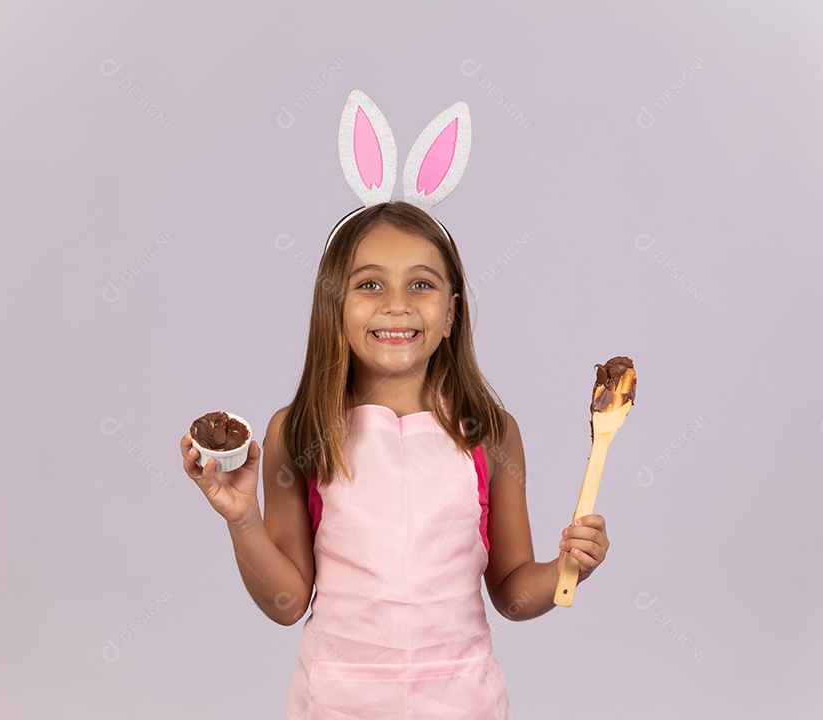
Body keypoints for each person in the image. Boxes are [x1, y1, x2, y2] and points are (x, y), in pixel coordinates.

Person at [180, 90, 609, 719]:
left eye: (422, 285)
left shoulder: (491, 433)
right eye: (370, 284)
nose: (397, 305)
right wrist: (240, 518)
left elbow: (512, 595)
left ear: (450, 314)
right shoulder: (297, 432)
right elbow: (286, 603)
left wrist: (567, 569)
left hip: (461, 701)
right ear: (336, 304)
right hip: (337, 702)